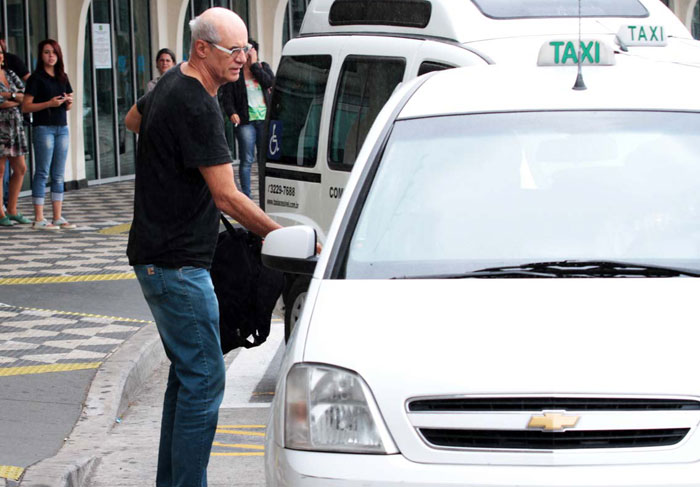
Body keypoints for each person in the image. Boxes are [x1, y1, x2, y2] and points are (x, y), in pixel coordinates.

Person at [123, 8, 283, 487]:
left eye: (246, 48)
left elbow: (134, 119)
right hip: (176, 265)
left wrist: (172, 159)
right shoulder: (197, 104)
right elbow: (227, 196)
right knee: (206, 379)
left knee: (187, 375)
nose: (243, 58)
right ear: (201, 49)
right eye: (233, 50)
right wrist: (280, 235)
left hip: (160, 257)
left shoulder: (169, 84)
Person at [21, 39, 75, 230]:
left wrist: (68, 101)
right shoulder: (37, 78)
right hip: (43, 127)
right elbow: (26, 106)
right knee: (43, 172)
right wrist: (48, 104)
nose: (50, 56)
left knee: (58, 174)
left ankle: (58, 216)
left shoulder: (62, 77)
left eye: (53, 52)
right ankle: (39, 217)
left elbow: (69, 102)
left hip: (62, 127)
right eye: (46, 52)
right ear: (41, 55)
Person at [220, 38, 274, 200]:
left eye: (248, 50)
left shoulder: (262, 68)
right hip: (246, 121)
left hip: (264, 119)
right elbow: (227, 97)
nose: (245, 55)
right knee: (247, 159)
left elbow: (269, 82)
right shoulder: (236, 72)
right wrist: (231, 113)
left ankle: (265, 195)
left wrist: (255, 66)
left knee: (263, 160)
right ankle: (247, 197)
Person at [0, 41, 30, 226]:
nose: (0, 56)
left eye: (1, 52)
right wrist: (14, 97)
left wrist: (8, 96)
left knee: (20, 168)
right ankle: (1, 213)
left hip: (15, 126)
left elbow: (24, 96)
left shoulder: (10, 73)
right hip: (0, 126)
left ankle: (12, 209)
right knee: (0, 170)